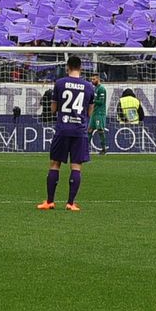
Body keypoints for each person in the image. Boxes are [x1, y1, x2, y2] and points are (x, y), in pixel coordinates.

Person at [38, 55, 94, 212]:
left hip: (62, 129)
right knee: (76, 166)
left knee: (55, 164)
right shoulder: (89, 86)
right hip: (79, 130)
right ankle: (71, 203)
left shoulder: (60, 83)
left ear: (67, 67)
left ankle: (49, 202)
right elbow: (90, 110)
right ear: (80, 68)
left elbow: (53, 109)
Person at [88, 73, 108, 156]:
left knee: (100, 130)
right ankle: (84, 149)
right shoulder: (95, 88)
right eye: (91, 79)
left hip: (100, 113)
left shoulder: (101, 89)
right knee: (89, 130)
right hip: (94, 112)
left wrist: (92, 100)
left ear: (98, 79)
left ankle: (104, 149)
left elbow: (101, 102)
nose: (92, 81)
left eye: (94, 79)